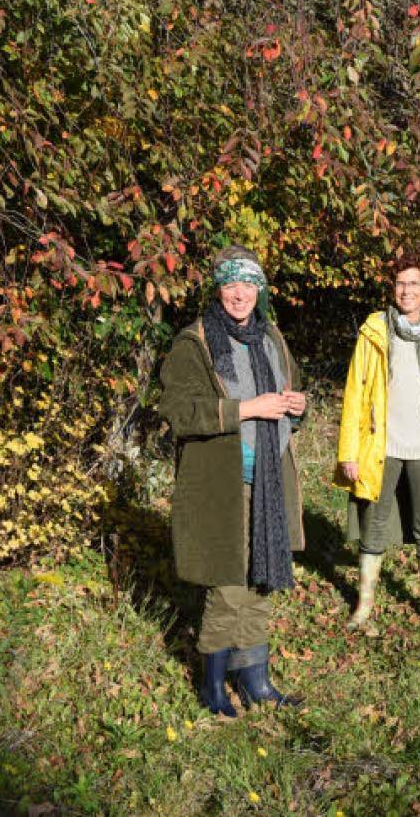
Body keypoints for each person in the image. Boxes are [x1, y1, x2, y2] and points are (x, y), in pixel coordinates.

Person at [156, 245, 307, 716]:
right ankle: (213, 686)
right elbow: (179, 412)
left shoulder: (271, 337)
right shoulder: (194, 343)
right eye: (230, 284)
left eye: (248, 284)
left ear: (259, 290)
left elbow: (292, 390)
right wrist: (247, 409)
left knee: (264, 576)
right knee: (228, 583)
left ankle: (256, 680)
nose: (239, 294)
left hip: (270, 475)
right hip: (221, 480)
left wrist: (298, 406)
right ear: (218, 289)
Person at [335, 252, 420, 630]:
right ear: (392, 288)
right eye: (401, 283)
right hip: (382, 447)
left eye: (414, 283)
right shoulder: (374, 330)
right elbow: (355, 393)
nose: (407, 290)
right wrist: (348, 451)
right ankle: (363, 608)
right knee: (374, 525)